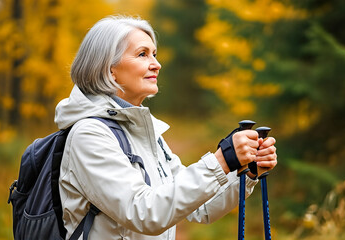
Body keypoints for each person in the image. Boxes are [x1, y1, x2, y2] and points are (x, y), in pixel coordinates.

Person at [55, 15, 277, 240]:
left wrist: (246, 172)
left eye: (154, 54)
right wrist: (221, 160)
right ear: (109, 68)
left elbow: (200, 207)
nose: (156, 64)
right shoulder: (89, 135)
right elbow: (143, 213)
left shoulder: (143, 132)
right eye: (142, 54)